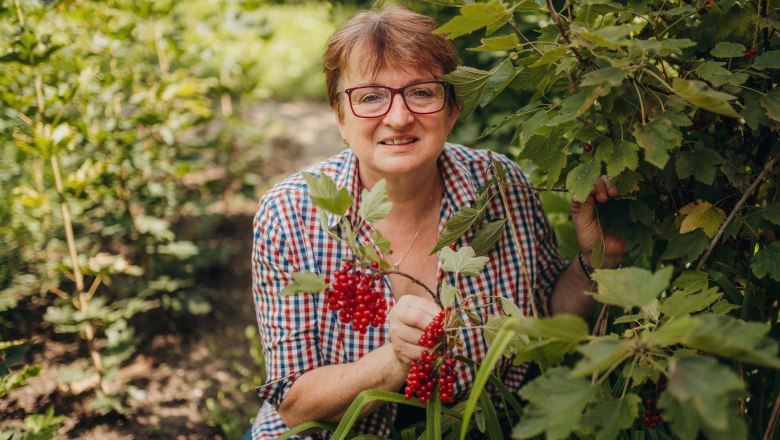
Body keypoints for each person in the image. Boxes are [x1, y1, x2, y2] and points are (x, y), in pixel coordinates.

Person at [247, 4, 625, 439]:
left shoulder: (500, 187)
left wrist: (598, 257)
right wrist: (395, 360)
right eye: (371, 96)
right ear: (340, 118)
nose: (399, 116)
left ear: (453, 110)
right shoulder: (291, 214)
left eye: (422, 92)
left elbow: (544, 320)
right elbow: (295, 404)